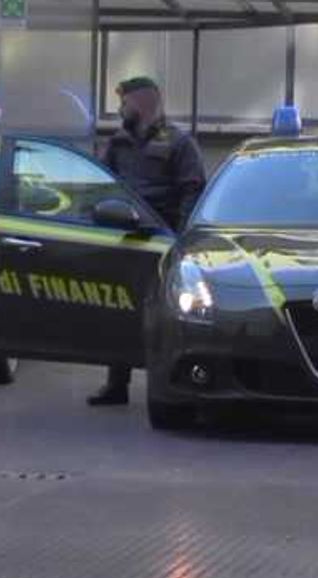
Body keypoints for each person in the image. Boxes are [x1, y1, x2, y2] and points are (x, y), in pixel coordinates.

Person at [88, 76, 207, 406]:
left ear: (140, 104)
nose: (119, 109)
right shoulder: (118, 143)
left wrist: (178, 239)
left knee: (160, 315)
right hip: (123, 237)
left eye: (124, 103)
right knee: (118, 310)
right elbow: (102, 184)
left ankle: (166, 385)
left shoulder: (180, 142)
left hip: (160, 241)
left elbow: (192, 190)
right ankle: (116, 384)